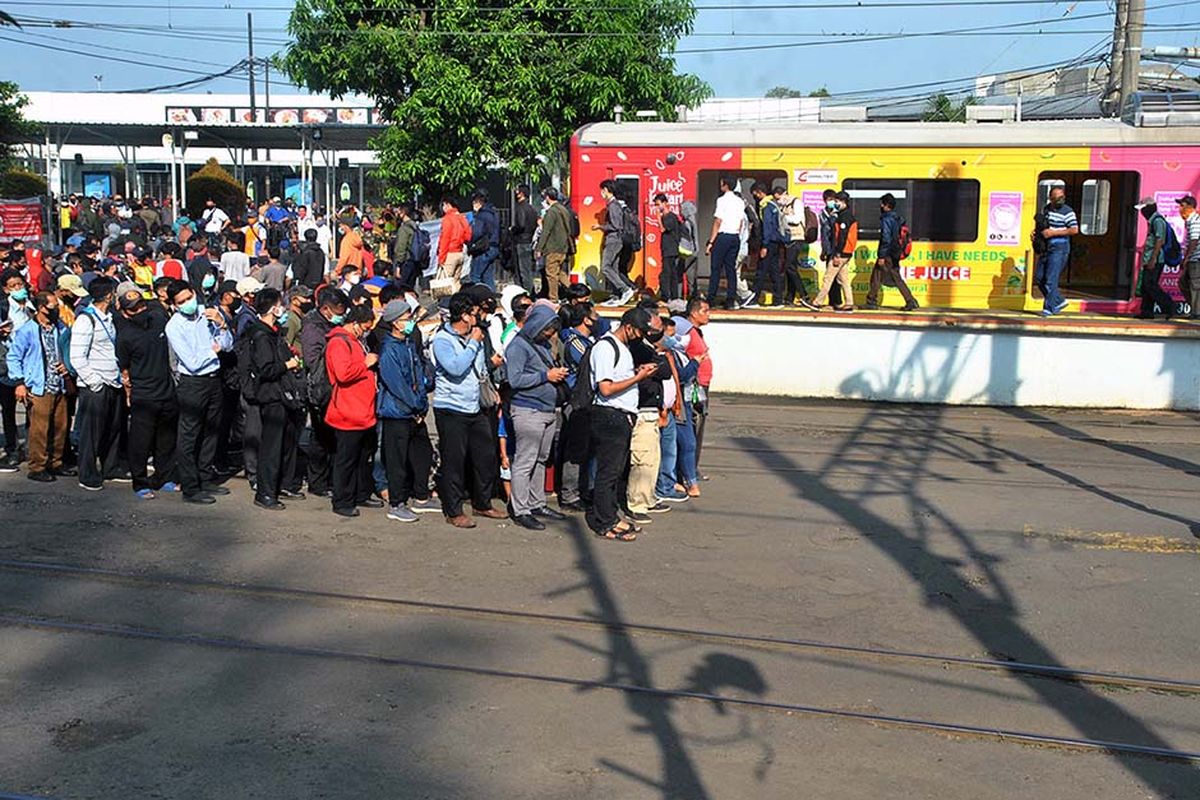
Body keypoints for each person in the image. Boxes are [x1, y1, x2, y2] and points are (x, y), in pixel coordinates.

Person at [431, 292, 506, 529]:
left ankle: (482, 502)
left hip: (475, 406)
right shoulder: (443, 339)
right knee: (454, 460)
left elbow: (480, 367)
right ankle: (453, 510)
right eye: (474, 313)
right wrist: (473, 342)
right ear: (464, 315)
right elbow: (455, 368)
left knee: (485, 455)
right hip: (451, 408)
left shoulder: (477, 336)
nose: (478, 317)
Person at [586, 307, 658, 542]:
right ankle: (604, 522)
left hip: (621, 415)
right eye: (639, 332)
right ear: (628, 327)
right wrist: (638, 378)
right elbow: (606, 388)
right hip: (609, 415)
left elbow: (618, 379)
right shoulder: (606, 347)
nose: (641, 337)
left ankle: (611, 517)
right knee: (608, 472)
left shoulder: (622, 348)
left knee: (615, 470)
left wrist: (636, 373)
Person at [165, 279, 234, 505]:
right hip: (193, 383)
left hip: (214, 379)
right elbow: (192, 362)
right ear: (175, 305)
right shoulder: (174, 326)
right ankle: (190, 486)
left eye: (188, 298)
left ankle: (206, 478)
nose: (187, 303)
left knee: (212, 431)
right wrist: (214, 351)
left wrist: (222, 326)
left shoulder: (207, 314)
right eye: (181, 302)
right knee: (189, 435)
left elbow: (228, 344)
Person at [504, 303, 569, 530]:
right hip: (528, 410)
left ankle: (537, 502)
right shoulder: (517, 347)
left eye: (551, 329)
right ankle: (520, 509)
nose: (550, 334)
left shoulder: (540, 345)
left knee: (541, 459)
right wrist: (546, 376)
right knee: (525, 461)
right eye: (547, 329)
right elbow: (515, 379)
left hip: (547, 410)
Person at [376, 298, 438, 523]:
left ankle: (421, 496)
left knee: (422, 453)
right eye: (406, 319)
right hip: (397, 412)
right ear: (395, 323)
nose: (410, 322)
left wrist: (421, 403)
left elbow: (418, 374)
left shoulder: (409, 344)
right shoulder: (389, 349)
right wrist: (414, 404)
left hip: (414, 410)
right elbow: (397, 385)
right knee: (396, 460)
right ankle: (396, 503)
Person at [243, 287, 303, 510]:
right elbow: (266, 369)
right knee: (271, 446)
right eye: (279, 304)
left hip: (282, 394)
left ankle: (280, 485)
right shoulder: (260, 335)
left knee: (285, 443)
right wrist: (287, 364)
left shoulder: (273, 332)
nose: (283, 308)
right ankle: (265, 492)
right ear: (271, 308)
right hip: (271, 396)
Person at [115, 290, 178, 499]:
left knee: (166, 439)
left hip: (166, 389)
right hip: (143, 394)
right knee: (141, 442)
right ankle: (140, 482)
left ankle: (165, 476)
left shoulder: (158, 321)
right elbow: (124, 368)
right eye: (134, 308)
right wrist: (128, 392)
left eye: (141, 305)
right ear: (125, 312)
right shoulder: (125, 336)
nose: (140, 310)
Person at [6, 290, 72, 482]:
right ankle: (37, 466)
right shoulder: (27, 330)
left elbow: (68, 350)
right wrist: (19, 382)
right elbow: (14, 356)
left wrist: (66, 365)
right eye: (53, 306)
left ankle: (56, 462)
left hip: (58, 384)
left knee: (61, 426)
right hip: (38, 386)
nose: (56, 310)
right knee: (39, 429)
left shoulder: (60, 327)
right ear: (42, 308)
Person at [325, 304, 382, 518]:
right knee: (346, 460)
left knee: (362, 457)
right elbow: (343, 374)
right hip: (348, 413)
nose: (367, 331)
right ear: (355, 323)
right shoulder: (339, 342)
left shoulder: (357, 341)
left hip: (363, 411)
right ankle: (342, 499)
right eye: (365, 327)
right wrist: (366, 364)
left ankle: (360, 493)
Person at [71, 277, 128, 491]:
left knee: (112, 429)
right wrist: (94, 382)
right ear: (108, 295)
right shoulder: (86, 320)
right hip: (95, 384)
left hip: (112, 380)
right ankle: (87, 473)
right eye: (114, 293)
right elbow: (77, 356)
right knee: (91, 432)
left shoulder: (110, 318)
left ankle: (110, 467)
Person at [625, 308, 673, 523]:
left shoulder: (647, 348)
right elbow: (661, 370)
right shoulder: (636, 348)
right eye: (653, 329)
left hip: (652, 410)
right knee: (642, 459)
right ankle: (637, 503)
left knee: (653, 458)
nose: (657, 333)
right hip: (641, 410)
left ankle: (648, 496)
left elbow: (665, 370)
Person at [557, 302, 596, 510]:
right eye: (594, 314)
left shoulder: (586, 340)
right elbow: (590, 364)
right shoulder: (575, 342)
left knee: (586, 449)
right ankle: (569, 495)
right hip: (577, 399)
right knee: (575, 450)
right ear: (586, 319)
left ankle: (582, 489)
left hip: (587, 400)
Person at [655, 316, 695, 504]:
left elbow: (676, 382)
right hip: (657, 410)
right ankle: (661, 487)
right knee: (656, 452)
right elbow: (682, 375)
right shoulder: (654, 356)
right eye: (668, 335)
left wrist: (675, 404)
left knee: (669, 450)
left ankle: (667, 485)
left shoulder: (670, 354)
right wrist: (696, 363)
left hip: (671, 409)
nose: (671, 339)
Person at [865, 193, 919, 312]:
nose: (880, 206)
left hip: (888, 254)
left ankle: (872, 301)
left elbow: (886, 238)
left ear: (887, 205)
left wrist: (882, 256)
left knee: (882, 277)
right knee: (885, 276)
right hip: (895, 252)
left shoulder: (887, 219)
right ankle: (910, 301)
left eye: (882, 203)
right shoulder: (897, 218)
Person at [807, 191, 857, 312]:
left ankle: (817, 302)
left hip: (841, 252)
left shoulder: (844, 216)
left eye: (837, 201)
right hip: (847, 252)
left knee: (828, 278)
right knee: (843, 279)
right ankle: (849, 303)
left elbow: (842, 236)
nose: (835, 203)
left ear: (843, 202)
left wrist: (837, 254)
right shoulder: (847, 214)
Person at [1034, 186, 1078, 318]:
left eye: (1062, 197)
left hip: (1060, 247)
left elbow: (1074, 230)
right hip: (1047, 247)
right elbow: (1044, 225)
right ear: (1050, 198)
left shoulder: (1068, 211)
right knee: (1039, 277)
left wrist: (1054, 233)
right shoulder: (1047, 208)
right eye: (1057, 197)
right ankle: (1058, 301)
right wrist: (1036, 233)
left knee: (1050, 280)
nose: (1060, 200)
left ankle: (1049, 308)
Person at [705, 176, 745, 310]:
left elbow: (718, 221)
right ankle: (730, 300)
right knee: (730, 269)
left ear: (725, 185)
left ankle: (711, 298)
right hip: (735, 237)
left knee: (716, 268)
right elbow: (740, 222)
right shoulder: (740, 201)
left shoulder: (721, 200)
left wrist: (711, 242)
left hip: (723, 236)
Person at [684, 297, 713, 481]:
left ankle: (692, 468)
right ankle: (689, 471)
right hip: (696, 385)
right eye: (705, 311)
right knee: (693, 427)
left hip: (703, 383)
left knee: (698, 427)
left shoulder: (697, 332)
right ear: (694, 313)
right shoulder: (688, 333)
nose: (708, 315)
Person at [1134, 197, 1177, 320]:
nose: (1142, 213)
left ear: (1149, 208)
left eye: (1143, 209)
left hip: (1156, 259)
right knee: (1146, 286)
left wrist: (1153, 259)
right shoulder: (1152, 221)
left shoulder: (1157, 221)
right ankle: (1146, 311)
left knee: (1150, 285)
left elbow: (1160, 240)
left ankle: (1169, 305)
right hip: (1150, 258)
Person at [595, 180, 637, 306]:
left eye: (602, 190)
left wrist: (600, 226)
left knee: (606, 267)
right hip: (617, 240)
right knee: (613, 267)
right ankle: (615, 295)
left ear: (607, 190)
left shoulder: (613, 205)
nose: (601, 193)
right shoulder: (616, 205)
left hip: (613, 240)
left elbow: (616, 225)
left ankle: (625, 289)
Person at [748, 182, 785, 308]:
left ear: (759, 192)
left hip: (768, 243)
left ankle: (754, 299)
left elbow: (767, 227)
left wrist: (764, 245)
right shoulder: (774, 204)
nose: (755, 197)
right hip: (775, 242)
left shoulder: (765, 206)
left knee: (761, 271)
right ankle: (778, 300)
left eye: (755, 194)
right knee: (774, 271)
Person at [537, 188, 574, 301]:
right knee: (560, 273)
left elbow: (546, 231)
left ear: (548, 197)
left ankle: (553, 298)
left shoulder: (551, 212)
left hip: (553, 247)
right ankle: (575, 292)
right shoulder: (564, 210)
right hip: (563, 247)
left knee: (551, 274)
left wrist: (539, 248)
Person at [468, 190, 501, 290]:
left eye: (474, 201)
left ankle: (478, 299)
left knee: (475, 276)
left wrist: (469, 243)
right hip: (494, 247)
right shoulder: (494, 213)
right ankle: (492, 299)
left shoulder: (481, 215)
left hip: (482, 248)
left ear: (479, 201)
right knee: (488, 277)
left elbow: (476, 233)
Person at [509, 185, 539, 294]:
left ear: (521, 193)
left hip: (521, 241)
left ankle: (527, 293)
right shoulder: (532, 208)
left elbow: (521, 224)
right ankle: (530, 291)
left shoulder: (521, 207)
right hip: (529, 240)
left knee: (523, 270)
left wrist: (513, 229)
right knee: (527, 269)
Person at [654, 193, 683, 302]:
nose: (657, 208)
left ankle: (667, 296)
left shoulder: (670, 217)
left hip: (671, 249)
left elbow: (663, 229)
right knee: (671, 273)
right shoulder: (669, 217)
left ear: (665, 203)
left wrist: (658, 218)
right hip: (668, 248)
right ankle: (673, 296)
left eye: (658, 205)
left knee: (668, 274)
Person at [437, 197, 471, 283]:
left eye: (443, 205)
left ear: (448, 205)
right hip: (460, 253)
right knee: (456, 284)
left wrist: (441, 258)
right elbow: (468, 235)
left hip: (450, 253)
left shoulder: (447, 218)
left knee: (444, 284)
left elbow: (445, 239)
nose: (443, 208)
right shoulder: (461, 217)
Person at [1181, 196, 1200, 319]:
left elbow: (1194, 240)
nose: (1180, 208)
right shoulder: (1190, 221)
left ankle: (1196, 312)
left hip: (1196, 259)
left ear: (1189, 207)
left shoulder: (1195, 221)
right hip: (1193, 258)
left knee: (1195, 285)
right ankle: (1194, 308)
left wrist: (1186, 257)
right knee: (1183, 283)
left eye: (1182, 205)